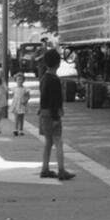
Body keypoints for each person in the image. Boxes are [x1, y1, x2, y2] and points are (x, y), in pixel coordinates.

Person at [38, 49, 74, 181]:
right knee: (58, 141)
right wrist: (56, 117)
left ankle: (45, 168)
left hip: (43, 113)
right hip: (52, 114)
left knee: (48, 142)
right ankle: (61, 170)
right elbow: (54, 100)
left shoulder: (43, 78)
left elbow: (44, 98)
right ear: (58, 64)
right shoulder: (55, 80)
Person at [10, 70, 30, 136]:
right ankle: (15, 129)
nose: (20, 81)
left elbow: (28, 96)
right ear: (16, 80)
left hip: (22, 104)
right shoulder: (14, 88)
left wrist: (25, 100)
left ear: (23, 80)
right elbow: (13, 96)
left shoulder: (25, 89)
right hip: (16, 104)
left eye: (21, 79)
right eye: (18, 79)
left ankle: (21, 130)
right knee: (16, 117)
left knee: (21, 117)